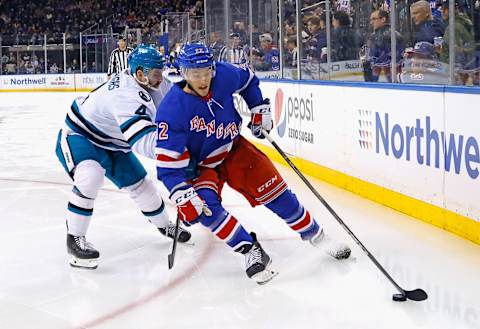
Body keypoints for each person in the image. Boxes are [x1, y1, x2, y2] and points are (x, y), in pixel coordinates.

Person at [155, 43, 351, 285]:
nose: (203, 78)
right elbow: (166, 167)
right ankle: (249, 249)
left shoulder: (224, 75)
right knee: (204, 208)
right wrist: (181, 193)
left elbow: (248, 80)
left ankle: (318, 237)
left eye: (207, 71)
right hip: (201, 166)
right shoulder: (171, 110)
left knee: (276, 193)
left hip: (234, 149)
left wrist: (258, 106)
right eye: (196, 74)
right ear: (183, 73)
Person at [55, 44, 191, 270]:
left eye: (160, 72)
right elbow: (144, 142)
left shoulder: (154, 81)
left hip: (114, 142)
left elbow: (178, 107)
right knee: (91, 175)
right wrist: (180, 156)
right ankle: (75, 240)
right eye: (156, 74)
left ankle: (163, 225)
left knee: (143, 187)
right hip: (81, 135)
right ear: (139, 73)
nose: (160, 78)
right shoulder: (125, 96)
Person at [363, 9, 404, 82]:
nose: (371, 22)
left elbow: (370, 59)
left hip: (379, 79)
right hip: (396, 77)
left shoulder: (375, 36)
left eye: (373, 19)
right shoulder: (397, 34)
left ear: (383, 19)